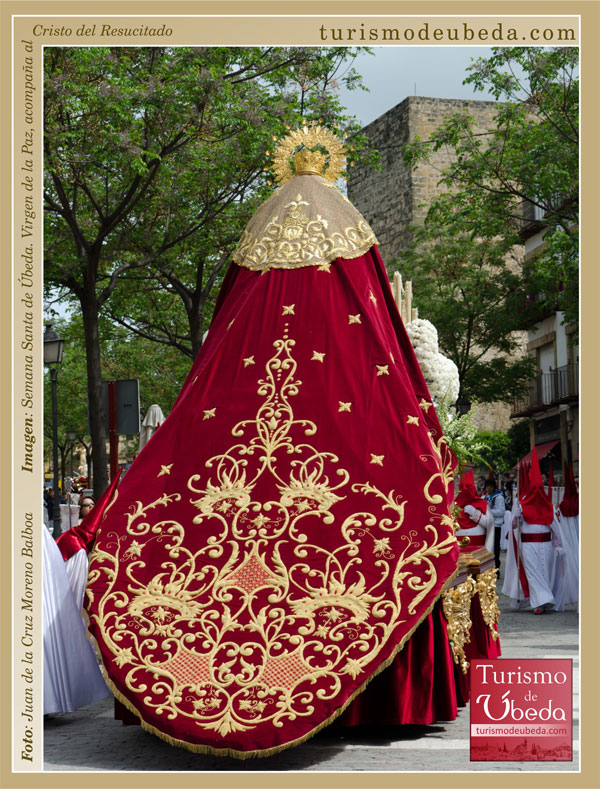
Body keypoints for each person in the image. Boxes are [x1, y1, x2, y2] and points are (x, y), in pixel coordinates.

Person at [80, 125, 460, 758]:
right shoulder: (352, 246)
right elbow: (385, 341)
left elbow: (218, 342)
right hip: (343, 419)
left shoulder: (255, 247)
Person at [502, 448, 559, 614]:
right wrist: (516, 517)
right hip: (528, 545)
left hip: (546, 545)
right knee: (533, 573)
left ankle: (544, 599)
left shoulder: (549, 507)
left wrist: (559, 545)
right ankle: (538, 603)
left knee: (545, 573)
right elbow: (514, 527)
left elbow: (556, 528)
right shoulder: (521, 506)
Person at [484, 478, 506, 575]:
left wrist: (488, 512)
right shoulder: (484, 497)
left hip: (496, 525)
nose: (488, 488)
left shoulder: (499, 497)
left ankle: (496, 568)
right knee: (487, 548)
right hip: (486, 525)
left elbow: (501, 512)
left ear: (494, 487)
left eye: (490, 486)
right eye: (487, 486)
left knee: (495, 547)